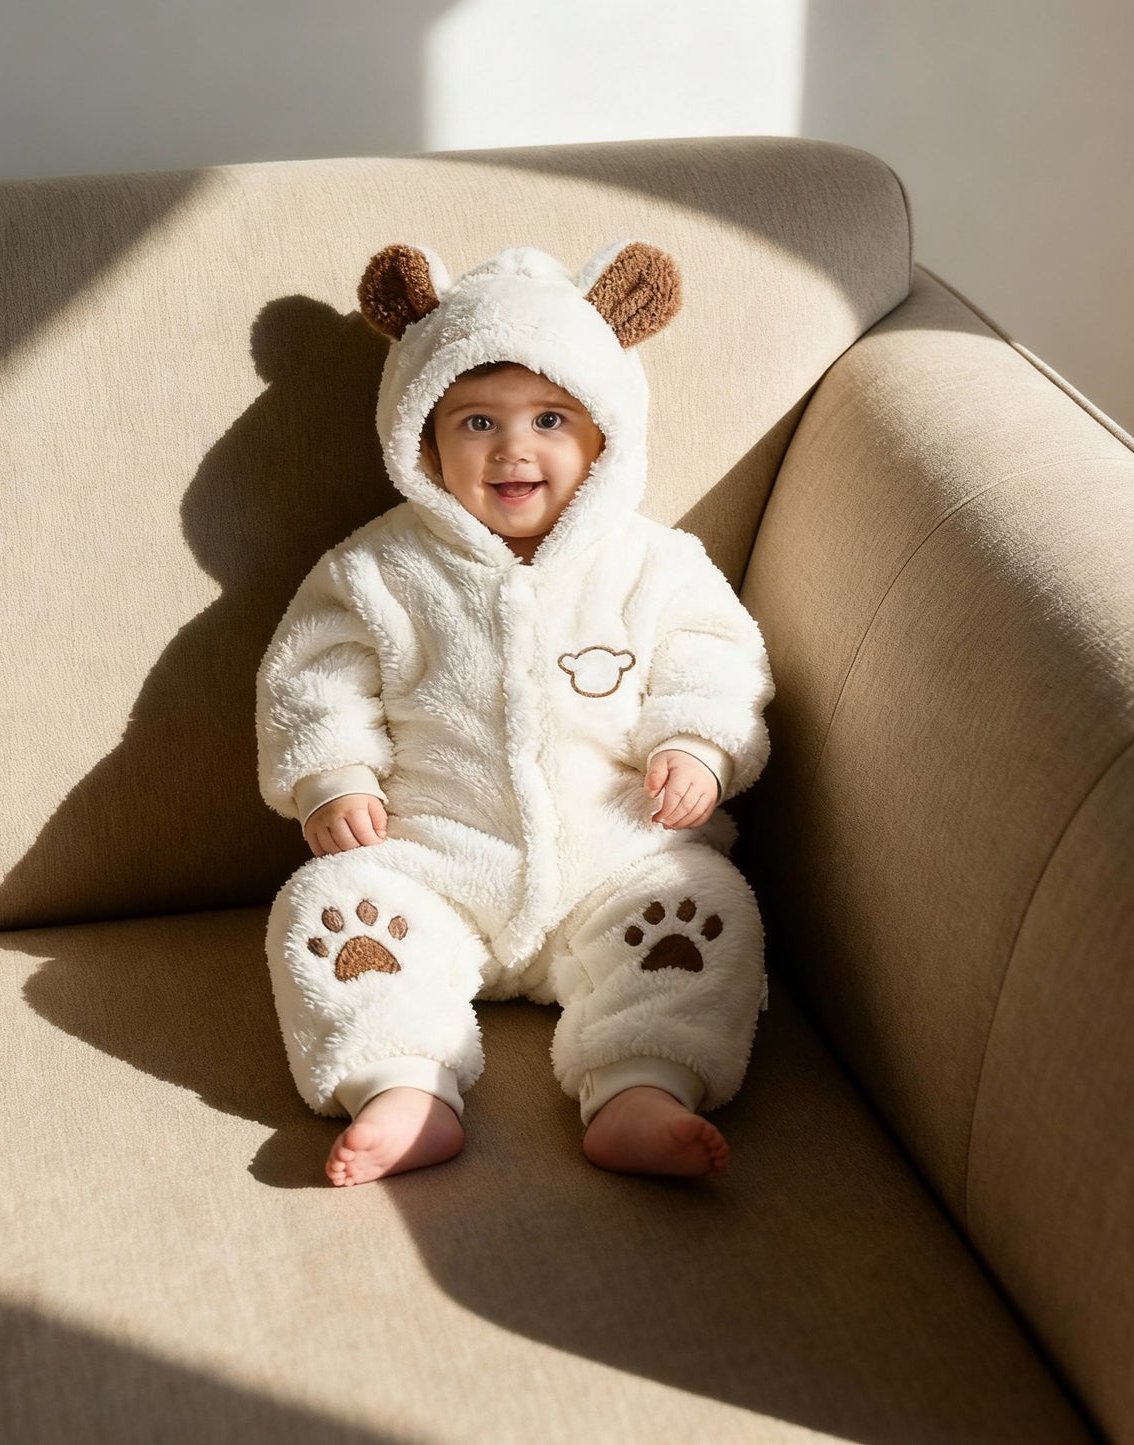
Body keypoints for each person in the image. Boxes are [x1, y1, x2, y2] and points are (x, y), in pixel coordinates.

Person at [256, 239, 775, 1187]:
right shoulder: (378, 569)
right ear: (422, 437)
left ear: (603, 434)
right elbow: (310, 675)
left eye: (547, 417)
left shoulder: (652, 565)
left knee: (704, 908)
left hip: (614, 860)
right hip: (433, 864)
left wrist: (698, 742)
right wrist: (331, 774)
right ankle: (401, 1083)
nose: (512, 448)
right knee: (325, 907)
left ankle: (641, 1083)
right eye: (474, 421)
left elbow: (716, 656)